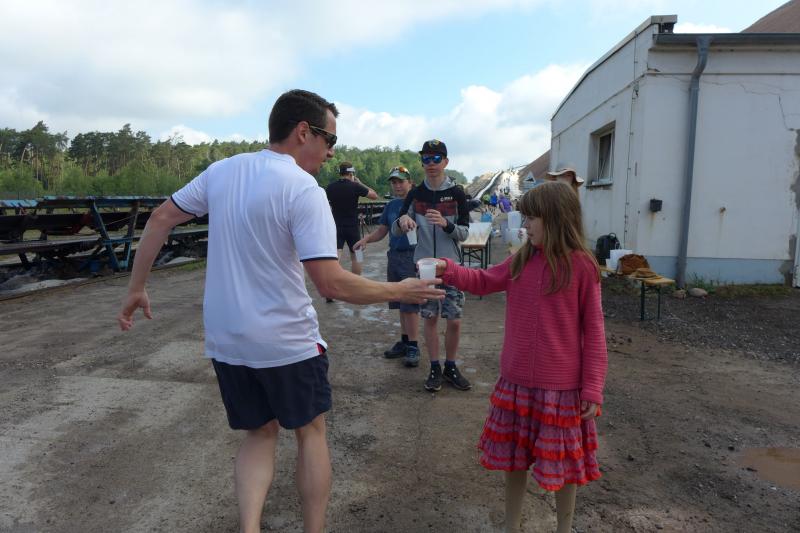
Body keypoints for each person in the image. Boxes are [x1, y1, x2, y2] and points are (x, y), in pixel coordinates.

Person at [116, 89, 444, 533]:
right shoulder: (302, 188)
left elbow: (159, 218)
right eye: (330, 140)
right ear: (303, 131)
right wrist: (399, 288)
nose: (332, 153)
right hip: (285, 341)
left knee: (260, 432)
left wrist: (137, 287)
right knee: (310, 432)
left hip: (227, 340)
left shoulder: (222, 171)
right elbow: (330, 283)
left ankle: (249, 527)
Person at [426, 181, 608, 533]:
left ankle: (564, 528)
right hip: (516, 385)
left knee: (564, 468)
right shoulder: (522, 259)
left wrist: (592, 388)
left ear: (556, 218)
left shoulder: (583, 267)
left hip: (562, 392)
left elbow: (595, 332)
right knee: (515, 461)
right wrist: (447, 268)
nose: (524, 225)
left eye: (531, 218)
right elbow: (482, 281)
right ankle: (512, 526)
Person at [394, 139, 472, 390]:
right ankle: (435, 367)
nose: (430, 163)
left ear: (445, 162)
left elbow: (464, 233)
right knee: (429, 318)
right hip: (425, 267)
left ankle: (451, 366)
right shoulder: (416, 193)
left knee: (455, 319)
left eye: (436, 158)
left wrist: (446, 224)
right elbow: (397, 228)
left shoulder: (457, 193)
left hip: (451, 266)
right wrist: (402, 221)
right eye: (426, 159)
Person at [354, 166, 420, 366]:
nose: (397, 185)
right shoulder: (391, 205)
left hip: (412, 257)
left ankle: (414, 346)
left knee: (410, 303)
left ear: (410, 182)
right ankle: (405, 340)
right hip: (394, 256)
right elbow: (382, 231)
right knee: (400, 300)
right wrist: (366, 239)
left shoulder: (418, 203)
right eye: (394, 182)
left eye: (401, 181)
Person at [326, 161, 378, 278]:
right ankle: (356, 281)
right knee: (357, 256)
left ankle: (332, 279)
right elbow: (374, 196)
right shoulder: (355, 186)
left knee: (336, 254)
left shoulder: (330, 187)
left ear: (340, 173)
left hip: (336, 226)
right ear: (351, 174)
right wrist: (360, 183)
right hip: (352, 227)